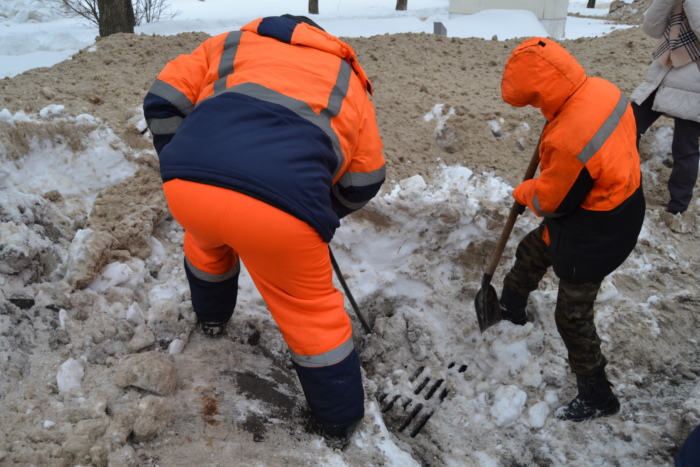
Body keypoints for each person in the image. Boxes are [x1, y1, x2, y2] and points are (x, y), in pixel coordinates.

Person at [142, 14, 386, 450]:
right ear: (323, 41)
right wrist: (320, 209)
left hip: (188, 187)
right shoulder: (347, 77)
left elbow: (162, 98)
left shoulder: (229, 43)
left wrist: (181, 159)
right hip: (283, 211)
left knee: (206, 242)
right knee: (309, 310)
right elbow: (366, 179)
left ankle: (212, 318)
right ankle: (339, 422)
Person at [498, 37, 646, 422]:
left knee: (572, 315)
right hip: (620, 201)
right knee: (533, 249)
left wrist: (523, 190)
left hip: (597, 231)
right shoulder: (602, 89)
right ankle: (509, 306)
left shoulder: (570, 137)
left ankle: (597, 394)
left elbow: (551, 202)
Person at [631, 0, 700, 215]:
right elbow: (651, 28)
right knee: (626, 126)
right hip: (663, 73)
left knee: (684, 147)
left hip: (694, 84)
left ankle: (677, 208)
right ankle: (623, 185)